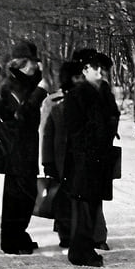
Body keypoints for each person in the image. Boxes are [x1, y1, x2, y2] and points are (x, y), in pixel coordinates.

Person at [62, 49, 118, 267]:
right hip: (83, 160)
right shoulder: (77, 95)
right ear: (85, 70)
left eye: (103, 69)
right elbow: (75, 130)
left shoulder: (105, 93)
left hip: (100, 158)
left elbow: (113, 118)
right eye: (96, 68)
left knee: (94, 205)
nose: (101, 72)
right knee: (84, 206)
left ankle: (86, 248)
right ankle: (80, 251)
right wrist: (96, 134)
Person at [0, 42, 48, 255]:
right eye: (32, 63)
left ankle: (19, 233)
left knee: (26, 194)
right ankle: (11, 239)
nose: (35, 66)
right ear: (21, 64)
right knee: (17, 195)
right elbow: (21, 114)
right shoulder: (10, 85)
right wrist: (40, 92)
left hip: (26, 146)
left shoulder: (23, 82)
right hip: (16, 147)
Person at [41, 61, 81, 248]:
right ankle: (65, 233)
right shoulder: (54, 103)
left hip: (75, 158)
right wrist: (47, 161)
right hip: (61, 160)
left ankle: (83, 234)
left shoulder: (84, 101)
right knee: (63, 198)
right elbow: (47, 133)